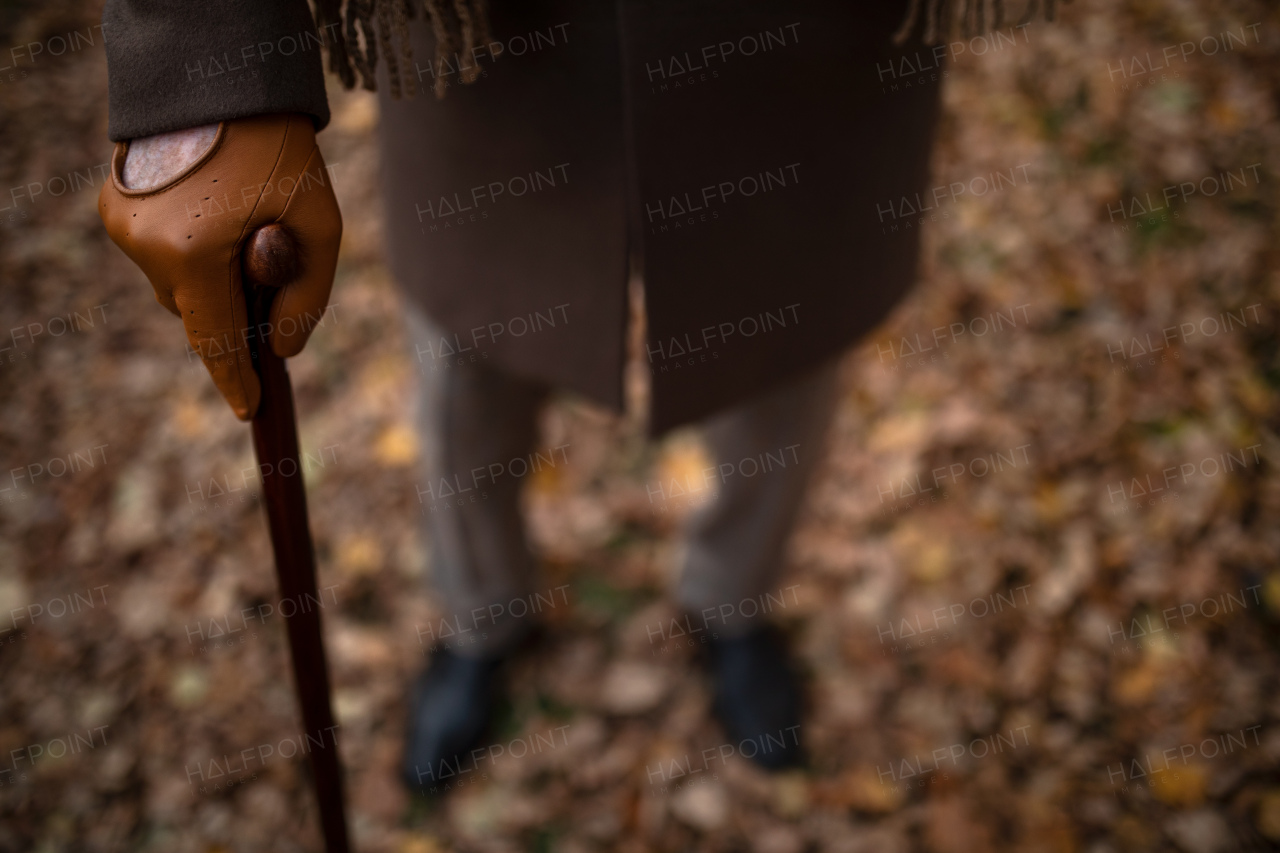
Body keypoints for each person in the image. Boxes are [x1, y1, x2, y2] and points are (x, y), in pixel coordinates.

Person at [98, 0, 1042, 792]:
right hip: (484, 34)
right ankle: (482, 618)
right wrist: (206, 61)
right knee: (468, 366)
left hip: (800, 48)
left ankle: (733, 602)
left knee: (785, 345)